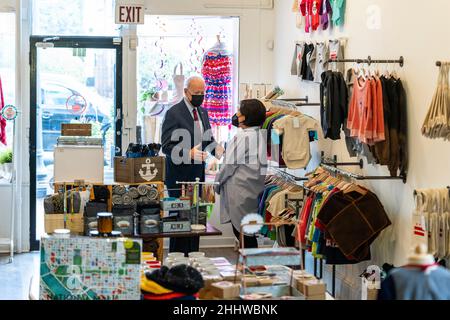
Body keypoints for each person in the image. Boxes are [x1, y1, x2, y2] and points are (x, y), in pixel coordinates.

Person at [161, 76, 224, 256]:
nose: (200, 96)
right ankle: (177, 260)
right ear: (186, 92)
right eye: (196, 93)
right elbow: (166, 146)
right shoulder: (173, 113)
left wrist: (219, 150)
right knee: (180, 221)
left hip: (198, 175)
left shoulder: (203, 112)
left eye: (203, 93)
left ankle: (193, 259)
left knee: (197, 220)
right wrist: (187, 153)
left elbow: (207, 140)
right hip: (178, 177)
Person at [215, 99, 268, 249]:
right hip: (251, 188)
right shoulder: (259, 134)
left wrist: (216, 184)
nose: (236, 114)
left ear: (245, 117)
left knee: (243, 234)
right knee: (247, 232)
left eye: (239, 111)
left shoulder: (243, 137)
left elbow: (228, 165)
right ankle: (251, 268)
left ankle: (252, 269)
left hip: (239, 191)